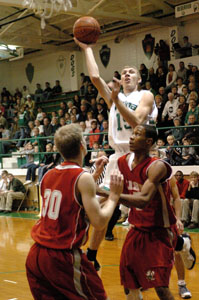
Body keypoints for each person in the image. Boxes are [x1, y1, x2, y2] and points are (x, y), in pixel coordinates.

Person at [74, 37, 157, 269]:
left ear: (139, 78)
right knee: (98, 207)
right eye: (124, 72)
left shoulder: (145, 95)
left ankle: (178, 242)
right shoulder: (114, 98)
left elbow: (138, 122)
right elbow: (94, 77)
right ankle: (91, 254)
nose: (127, 74)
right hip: (117, 158)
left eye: (132, 72)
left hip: (140, 156)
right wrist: (87, 48)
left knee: (150, 211)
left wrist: (115, 100)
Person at [26, 123, 123, 300]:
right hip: (62, 256)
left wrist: (96, 174)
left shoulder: (48, 174)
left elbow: (71, 194)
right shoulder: (82, 177)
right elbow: (99, 221)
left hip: (36, 255)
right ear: (81, 146)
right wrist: (114, 196)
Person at [114, 125, 195, 300]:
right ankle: (182, 243)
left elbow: (172, 197)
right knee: (129, 283)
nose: (131, 137)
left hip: (160, 230)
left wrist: (179, 219)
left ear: (149, 142)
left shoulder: (159, 167)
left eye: (137, 134)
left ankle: (182, 247)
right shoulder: (122, 163)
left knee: (160, 286)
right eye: (132, 133)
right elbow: (116, 190)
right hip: (136, 228)